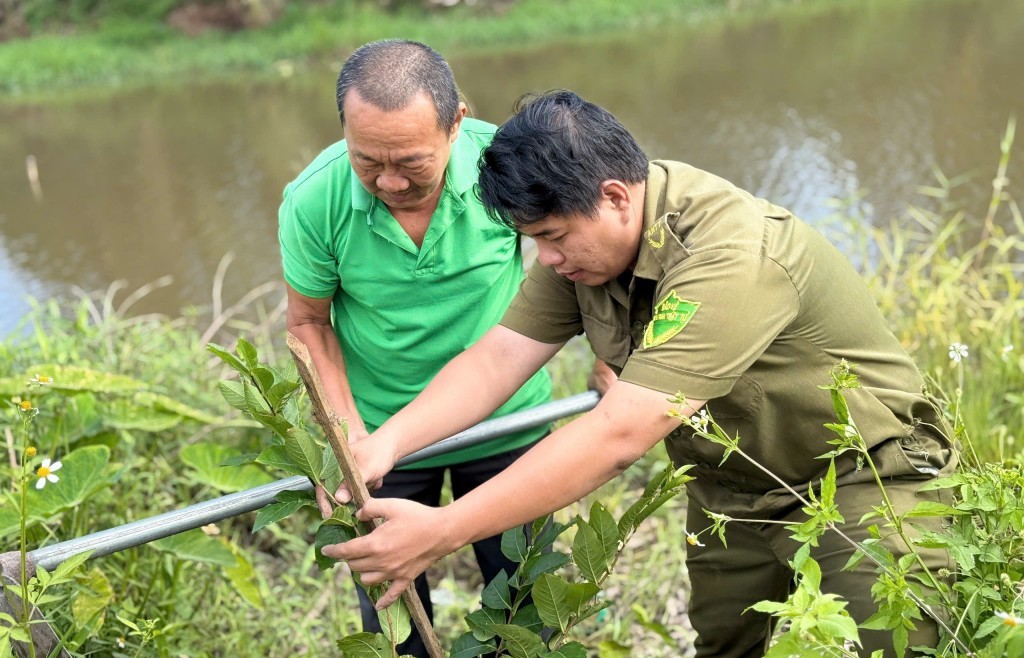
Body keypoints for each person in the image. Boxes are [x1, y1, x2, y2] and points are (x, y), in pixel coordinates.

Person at [324, 90, 957, 658]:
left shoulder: (730, 255)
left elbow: (620, 433)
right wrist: (386, 442)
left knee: (899, 645)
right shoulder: (583, 248)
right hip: (734, 487)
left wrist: (444, 530)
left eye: (551, 236)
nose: (545, 258)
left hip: (863, 475)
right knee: (724, 643)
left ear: (616, 197)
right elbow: (498, 357)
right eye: (532, 240)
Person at [279, 40, 563, 657]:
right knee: (394, 617)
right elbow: (308, 323)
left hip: (507, 421)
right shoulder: (314, 200)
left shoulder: (508, 162)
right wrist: (348, 437)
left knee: (529, 610)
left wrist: (610, 350)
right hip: (383, 437)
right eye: (368, 161)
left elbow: (572, 255)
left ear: (457, 121)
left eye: (410, 161)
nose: (389, 181)